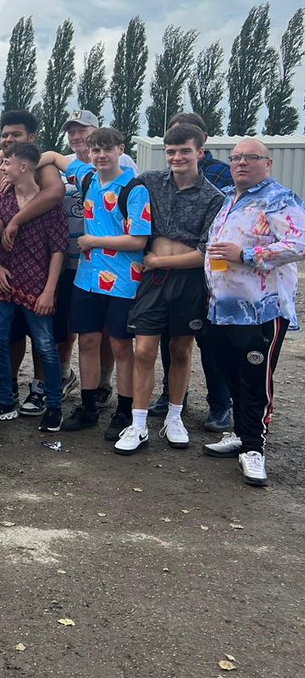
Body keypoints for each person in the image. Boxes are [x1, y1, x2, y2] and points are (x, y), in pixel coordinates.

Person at [201, 138, 305, 486]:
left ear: (268, 162)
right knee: (230, 372)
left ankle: (253, 447)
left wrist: (244, 255)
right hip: (222, 307)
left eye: (250, 158)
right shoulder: (230, 196)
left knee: (256, 378)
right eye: (236, 158)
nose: (241, 163)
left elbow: (298, 244)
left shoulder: (280, 199)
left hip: (261, 310)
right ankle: (241, 432)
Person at [114, 123, 223, 454]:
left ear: (199, 153)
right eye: (171, 151)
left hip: (188, 282)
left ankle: (174, 417)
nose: (177, 157)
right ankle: (138, 424)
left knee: (180, 349)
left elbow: (205, 254)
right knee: (144, 350)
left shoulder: (214, 197)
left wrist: (159, 261)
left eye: (184, 151)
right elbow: (122, 202)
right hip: (152, 282)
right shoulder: (148, 181)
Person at [38, 126, 151, 433]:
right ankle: (87, 407)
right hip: (87, 279)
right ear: (89, 152)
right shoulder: (86, 177)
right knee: (87, 340)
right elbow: (50, 156)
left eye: (107, 149)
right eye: (95, 150)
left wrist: (94, 241)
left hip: (123, 280)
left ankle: (124, 411)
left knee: (119, 345)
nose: (101, 155)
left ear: (120, 150)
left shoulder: (134, 189)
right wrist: (20, 167)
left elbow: (138, 240)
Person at [145, 112, 233, 430]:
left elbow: (224, 229)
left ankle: (220, 403)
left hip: (211, 271)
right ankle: (171, 396)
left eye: (185, 144)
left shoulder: (221, 177)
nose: (177, 153)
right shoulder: (157, 179)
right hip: (169, 277)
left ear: (201, 143)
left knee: (211, 342)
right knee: (174, 339)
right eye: (172, 142)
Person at [0, 143, 68, 433]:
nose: (2, 168)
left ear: (24, 167)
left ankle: (53, 405)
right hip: (5, 281)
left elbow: (58, 250)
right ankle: (5, 397)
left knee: (45, 345)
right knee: (0, 339)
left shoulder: (49, 205)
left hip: (37, 283)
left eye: (7, 163)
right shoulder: (1, 199)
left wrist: (50, 290)